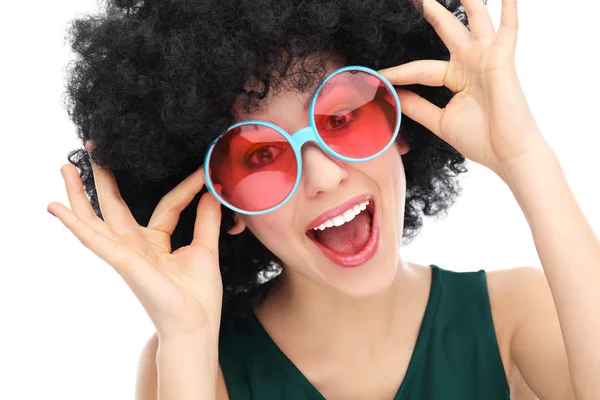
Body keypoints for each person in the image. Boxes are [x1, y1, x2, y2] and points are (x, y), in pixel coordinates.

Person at [46, 0, 600, 398]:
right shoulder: (196, 361)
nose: (324, 175)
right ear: (224, 203)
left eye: (340, 117)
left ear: (402, 123)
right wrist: (188, 340)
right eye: (260, 156)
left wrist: (526, 160)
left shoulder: (517, 314)